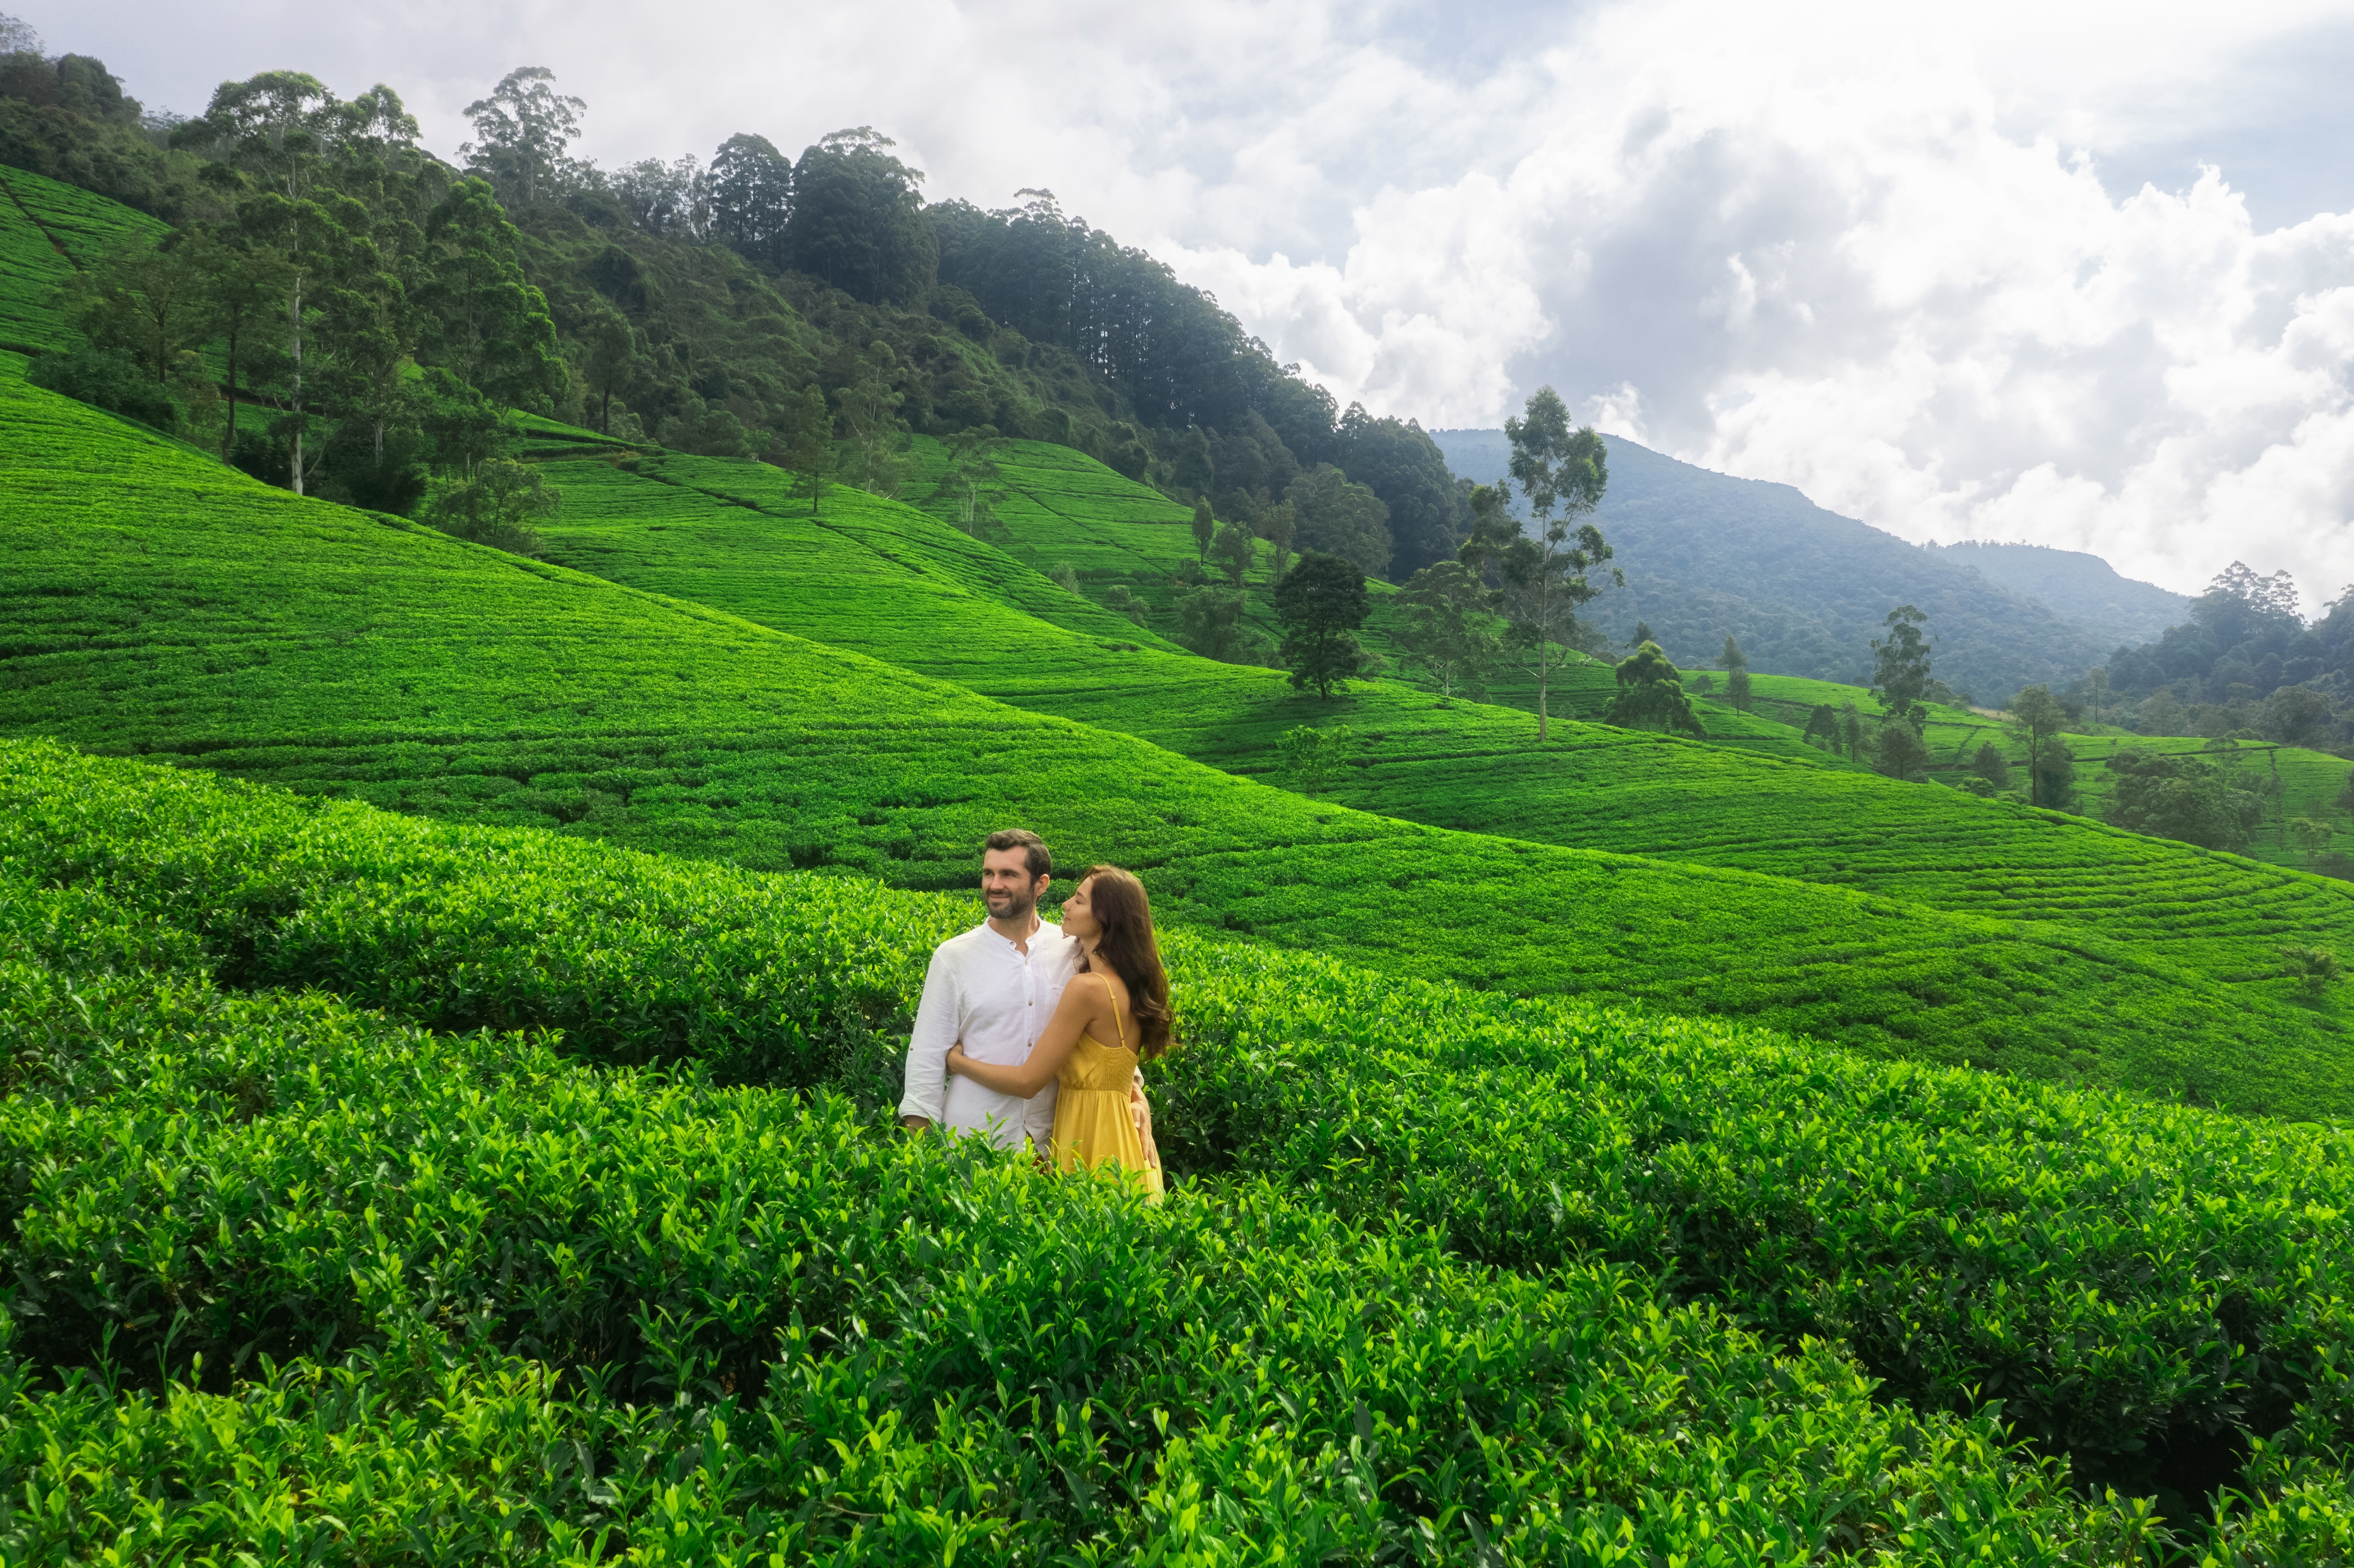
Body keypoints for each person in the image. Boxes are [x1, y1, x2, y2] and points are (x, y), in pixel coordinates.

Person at [947, 865, 1168, 1201]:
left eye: (1078, 901)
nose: (1065, 904)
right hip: (1127, 1148)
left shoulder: (1087, 989)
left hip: (1094, 1146)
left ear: (1105, 919)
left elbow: (1027, 1081)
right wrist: (1139, 1099)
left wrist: (958, 1062)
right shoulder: (1126, 985)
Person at [899, 829, 1080, 1152]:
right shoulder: (953, 956)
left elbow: (1106, 1028)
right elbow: (926, 1057)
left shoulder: (1071, 949)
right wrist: (917, 1157)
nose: (994, 885)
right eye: (988, 873)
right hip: (971, 1141)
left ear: (1041, 884)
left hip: (1053, 1142)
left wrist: (1135, 1094)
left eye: (1009, 874)